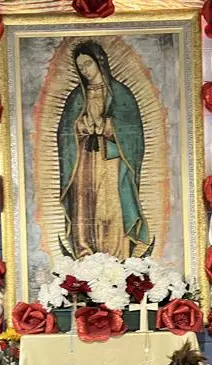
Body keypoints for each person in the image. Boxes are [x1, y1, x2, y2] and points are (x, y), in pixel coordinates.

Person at [57, 40, 150, 259]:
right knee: (84, 205)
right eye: (81, 67)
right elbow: (64, 133)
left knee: (110, 206)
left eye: (88, 64)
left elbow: (133, 132)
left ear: (100, 62)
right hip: (84, 161)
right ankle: (85, 254)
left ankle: (117, 255)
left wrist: (109, 127)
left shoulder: (120, 94)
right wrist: (80, 127)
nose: (85, 70)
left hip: (111, 159)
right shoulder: (76, 97)